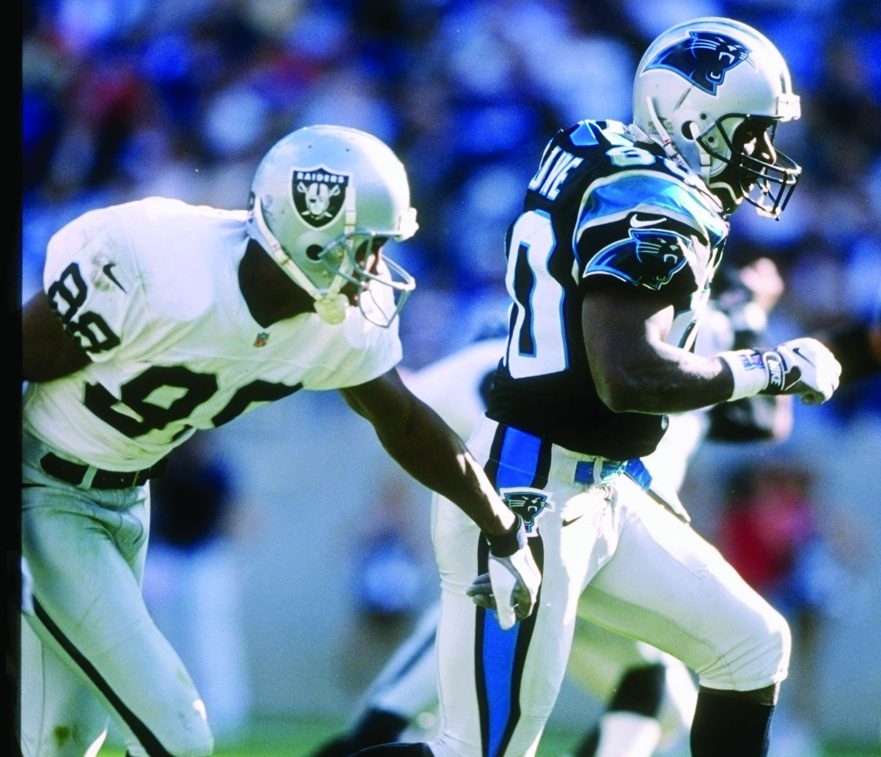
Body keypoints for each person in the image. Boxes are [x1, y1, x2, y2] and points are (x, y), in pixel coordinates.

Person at [354, 17, 842, 757]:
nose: (762, 156)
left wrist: (738, 318)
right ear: (693, 117)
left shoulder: (600, 148)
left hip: (602, 485)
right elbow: (628, 374)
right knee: (479, 752)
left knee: (749, 645)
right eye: (749, 133)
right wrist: (772, 365)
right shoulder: (653, 202)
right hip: (530, 491)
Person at [19, 124, 540, 757]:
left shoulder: (334, 326)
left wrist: (503, 527)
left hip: (127, 498)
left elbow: (403, 419)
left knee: (61, 740)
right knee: (175, 732)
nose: (376, 268)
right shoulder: (156, 258)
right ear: (313, 235)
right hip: (44, 490)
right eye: (365, 247)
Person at [314, 256, 791, 757]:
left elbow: (397, 400)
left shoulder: (619, 342)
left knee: (691, 675)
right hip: (534, 527)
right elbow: (757, 418)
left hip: (600, 525)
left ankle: (373, 730)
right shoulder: (615, 347)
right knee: (474, 739)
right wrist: (755, 330)